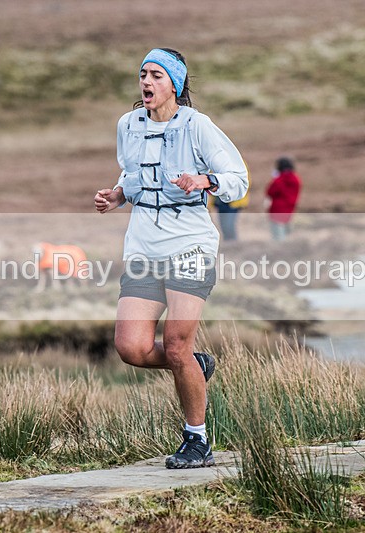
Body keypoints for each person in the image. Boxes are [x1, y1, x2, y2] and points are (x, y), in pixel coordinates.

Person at [93, 48, 248, 469]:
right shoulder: (128, 125)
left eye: (157, 75)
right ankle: (194, 366)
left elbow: (239, 181)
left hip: (191, 244)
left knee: (177, 343)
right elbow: (131, 173)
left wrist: (205, 180)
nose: (146, 82)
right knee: (132, 347)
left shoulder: (199, 127)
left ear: (175, 84)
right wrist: (117, 195)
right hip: (144, 246)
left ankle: (197, 440)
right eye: (143, 74)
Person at [211, 161, 250, 241]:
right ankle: (229, 245)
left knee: (229, 225)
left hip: (233, 202)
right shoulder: (213, 163)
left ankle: (233, 245)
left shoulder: (238, 163)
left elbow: (245, 182)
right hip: (220, 202)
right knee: (223, 226)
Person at [265, 157, 301, 241]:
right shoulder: (296, 179)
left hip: (277, 210)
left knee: (278, 236)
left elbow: (270, 192)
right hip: (290, 209)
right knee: (288, 235)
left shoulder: (279, 180)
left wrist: (275, 178)